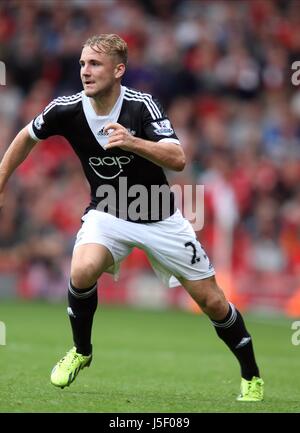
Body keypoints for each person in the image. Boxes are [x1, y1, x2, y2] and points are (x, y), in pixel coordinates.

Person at [0, 34, 264, 401]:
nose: (85, 72)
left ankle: (251, 375)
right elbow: (26, 136)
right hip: (107, 212)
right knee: (81, 270)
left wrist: (132, 141)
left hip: (159, 217)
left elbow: (178, 158)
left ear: (118, 70)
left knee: (214, 303)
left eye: (94, 64)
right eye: (81, 64)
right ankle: (81, 350)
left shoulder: (141, 106)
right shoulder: (66, 108)